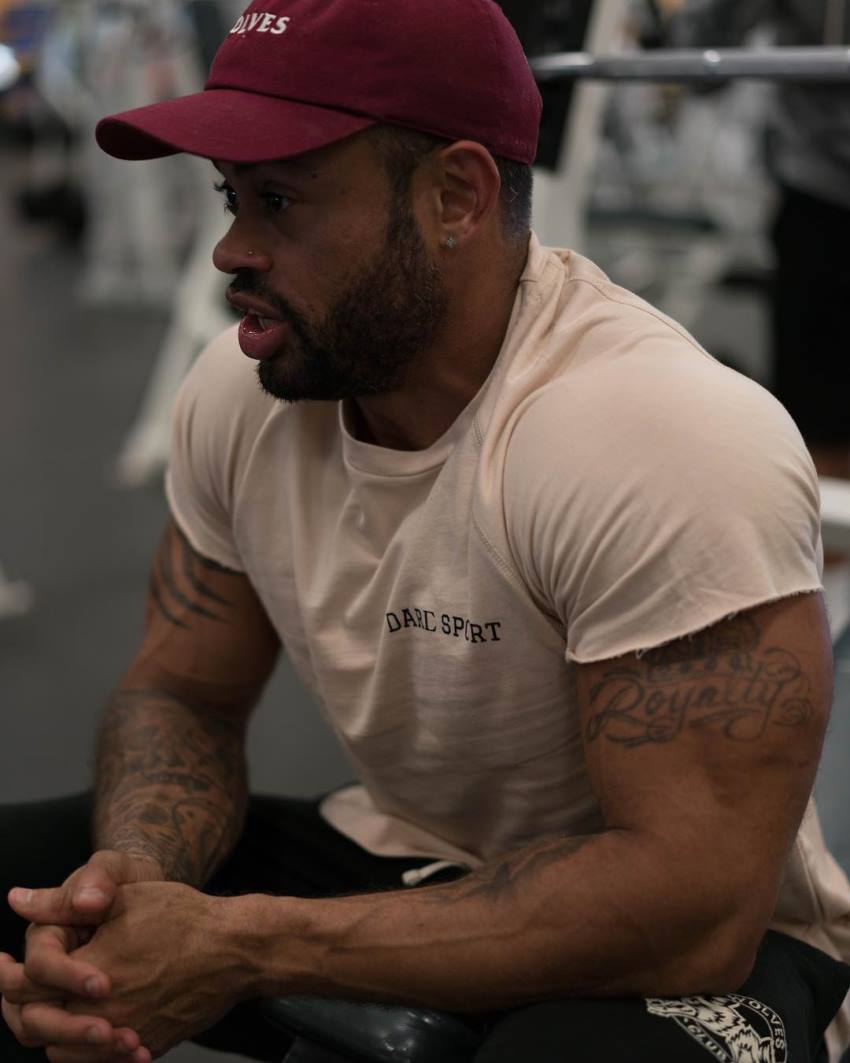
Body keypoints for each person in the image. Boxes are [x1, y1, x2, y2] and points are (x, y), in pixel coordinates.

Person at [2, 0, 850, 1060]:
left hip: (689, 945)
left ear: (456, 195)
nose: (230, 248)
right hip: (404, 856)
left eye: (278, 201)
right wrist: (131, 880)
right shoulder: (240, 393)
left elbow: (692, 910)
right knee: (31, 899)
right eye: (230, 197)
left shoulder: (656, 435)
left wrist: (241, 942)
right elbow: (184, 691)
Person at [661, 0, 850, 485]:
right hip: (820, 199)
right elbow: (702, 66)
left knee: (822, 420)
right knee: (821, 424)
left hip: (817, 198)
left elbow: (701, 64)